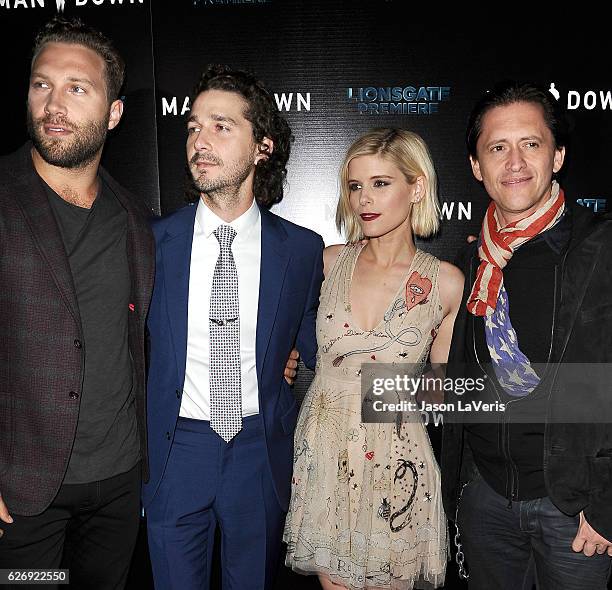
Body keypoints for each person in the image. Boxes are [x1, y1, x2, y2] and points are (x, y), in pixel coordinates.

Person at [142, 64, 324, 590]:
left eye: (222, 126)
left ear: (261, 146)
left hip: (257, 451)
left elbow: (318, 343)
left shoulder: (302, 249)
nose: (200, 139)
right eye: (194, 126)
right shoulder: (151, 242)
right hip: (176, 451)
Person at [0, 16, 155, 589]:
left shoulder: (135, 216)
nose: (54, 104)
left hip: (118, 486)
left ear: (113, 113)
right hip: (24, 496)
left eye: (76, 88)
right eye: (42, 84)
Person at [441, 81, 612, 589]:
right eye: (497, 148)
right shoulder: (470, 263)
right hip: (486, 502)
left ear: (557, 156)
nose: (514, 162)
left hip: (577, 511)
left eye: (530, 144)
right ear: (476, 167)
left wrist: (606, 501)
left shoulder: (602, 248)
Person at [284, 128, 464, 589]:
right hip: (324, 453)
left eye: (381, 183)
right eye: (356, 185)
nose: (365, 198)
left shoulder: (445, 283)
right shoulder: (327, 262)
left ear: (416, 187)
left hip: (396, 462)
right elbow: (286, 334)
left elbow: (438, 394)